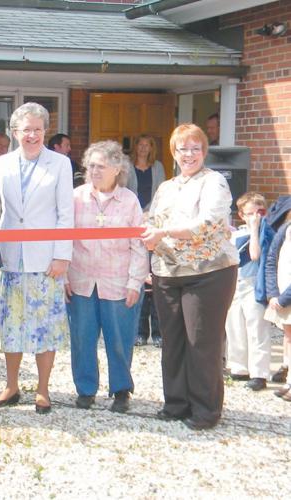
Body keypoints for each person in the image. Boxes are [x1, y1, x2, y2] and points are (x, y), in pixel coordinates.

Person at [141, 123, 238, 431]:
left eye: (196, 148)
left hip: (208, 273)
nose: (189, 154)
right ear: (174, 152)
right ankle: (176, 404)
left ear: (204, 152)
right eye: (183, 148)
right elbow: (151, 220)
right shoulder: (166, 187)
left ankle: (205, 410)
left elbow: (207, 224)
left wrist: (163, 233)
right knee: (173, 342)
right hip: (167, 273)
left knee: (201, 343)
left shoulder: (214, 182)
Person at [0, 103, 73, 414]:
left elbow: (66, 213)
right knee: (12, 325)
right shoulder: (1, 164)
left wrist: (62, 256)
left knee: (44, 327)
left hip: (46, 259)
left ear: (45, 131)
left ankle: (43, 390)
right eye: (26, 130)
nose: (32, 135)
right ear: (15, 132)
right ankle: (11, 386)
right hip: (9, 256)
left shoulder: (60, 164)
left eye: (38, 129)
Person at [65, 140, 147, 413]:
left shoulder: (129, 201)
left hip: (118, 281)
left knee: (119, 339)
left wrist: (135, 282)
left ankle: (121, 390)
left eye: (101, 166)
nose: (94, 171)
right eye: (91, 166)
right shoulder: (76, 197)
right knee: (82, 338)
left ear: (117, 168)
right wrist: (63, 276)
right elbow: (64, 238)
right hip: (81, 280)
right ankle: (86, 389)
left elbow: (138, 245)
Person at [224, 193, 275, 391]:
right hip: (236, 282)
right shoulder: (236, 234)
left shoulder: (266, 233)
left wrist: (255, 229)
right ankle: (239, 367)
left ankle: (259, 373)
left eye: (260, 212)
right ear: (241, 215)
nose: (256, 217)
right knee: (234, 326)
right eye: (250, 213)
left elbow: (255, 255)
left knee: (257, 329)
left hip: (254, 283)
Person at [127, 134, 166, 348]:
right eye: (140, 145)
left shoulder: (158, 167)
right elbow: (125, 191)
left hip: (153, 221)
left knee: (155, 279)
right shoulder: (127, 166)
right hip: (131, 221)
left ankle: (158, 333)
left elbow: (161, 193)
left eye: (147, 145)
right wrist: (136, 213)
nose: (143, 148)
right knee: (139, 278)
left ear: (151, 148)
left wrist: (149, 213)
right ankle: (140, 332)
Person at [264, 195, 291, 396]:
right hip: (281, 296)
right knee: (288, 338)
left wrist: (284, 298)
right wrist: (273, 293)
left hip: (286, 297)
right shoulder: (285, 229)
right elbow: (271, 259)